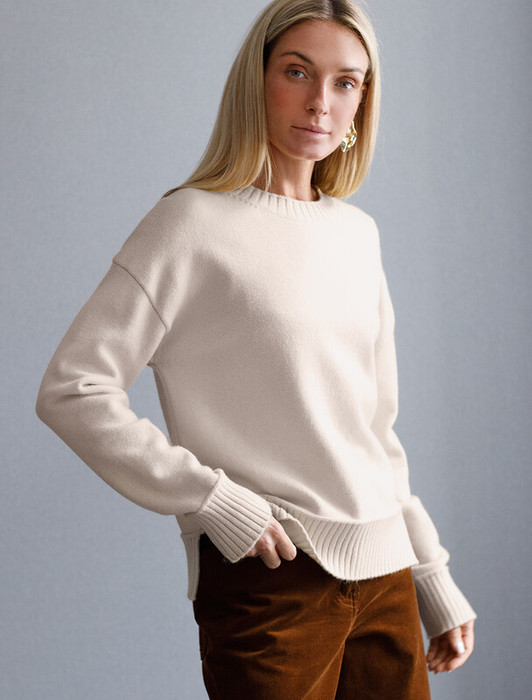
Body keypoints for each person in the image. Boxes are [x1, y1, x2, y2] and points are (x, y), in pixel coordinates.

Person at [35, 0, 477, 697]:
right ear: (257, 80)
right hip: (274, 581)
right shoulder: (190, 223)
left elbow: (373, 430)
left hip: (387, 579)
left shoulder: (357, 235)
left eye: (345, 82)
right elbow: (73, 390)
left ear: (362, 101)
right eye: (297, 71)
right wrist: (211, 499)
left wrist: (431, 574)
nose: (321, 101)